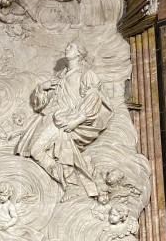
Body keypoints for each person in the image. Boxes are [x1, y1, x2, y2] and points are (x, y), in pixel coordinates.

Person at [16, 42, 112, 196]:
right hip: (50, 116)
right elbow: (43, 102)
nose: (67, 48)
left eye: (71, 46)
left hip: (66, 118)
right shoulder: (60, 74)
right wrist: (42, 87)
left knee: (45, 150)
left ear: (79, 53)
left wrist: (76, 121)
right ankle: (72, 184)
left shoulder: (87, 74)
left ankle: (72, 185)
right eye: (67, 46)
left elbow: (93, 98)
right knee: (36, 150)